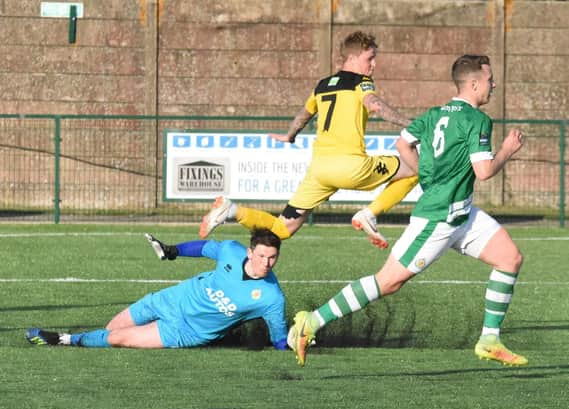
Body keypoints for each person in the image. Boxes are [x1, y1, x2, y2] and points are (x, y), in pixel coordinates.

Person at [287, 54, 528, 367]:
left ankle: (489, 339)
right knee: (388, 282)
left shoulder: (433, 114)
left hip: (461, 212)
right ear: (474, 83)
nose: (493, 85)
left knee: (510, 258)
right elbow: (483, 171)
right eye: (490, 79)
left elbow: (403, 145)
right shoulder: (477, 120)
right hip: (438, 218)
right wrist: (507, 150)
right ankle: (311, 322)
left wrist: (427, 177)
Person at [200, 30, 419, 250]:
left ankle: (231, 210)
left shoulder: (322, 85)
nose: (373, 65)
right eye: (369, 58)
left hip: (319, 172)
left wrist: (290, 135)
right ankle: (369, 214)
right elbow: (375, 105)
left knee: (283, 228)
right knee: (414, 167)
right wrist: (414, 125)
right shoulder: (362, 82)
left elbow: (303, 114)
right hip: (350, 167)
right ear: (352, 58)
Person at [26, 228, 289, 351]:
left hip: (185, 330)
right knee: (111, 330)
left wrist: (293, 341)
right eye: (262, 255)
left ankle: (63, 339)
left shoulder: (271, 297)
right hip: (172, 299)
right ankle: (82, 339)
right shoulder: (231, 251)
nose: (266, 263)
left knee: (121, 339)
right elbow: (205, 247)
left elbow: (279, 340)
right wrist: (173, 250)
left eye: (272, 258)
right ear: (250, 251)